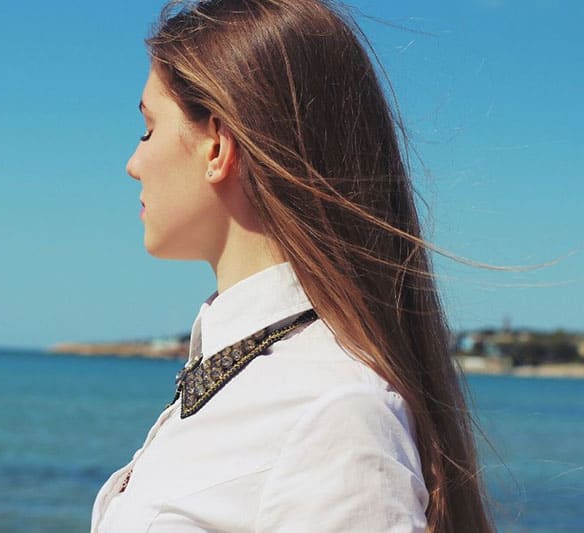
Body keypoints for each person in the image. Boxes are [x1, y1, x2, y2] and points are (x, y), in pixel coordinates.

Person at [92, 0, 493, 531]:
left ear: (217, 144)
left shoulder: (334, 412)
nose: (132, 164)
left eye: (148, 129)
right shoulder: (248, 378)